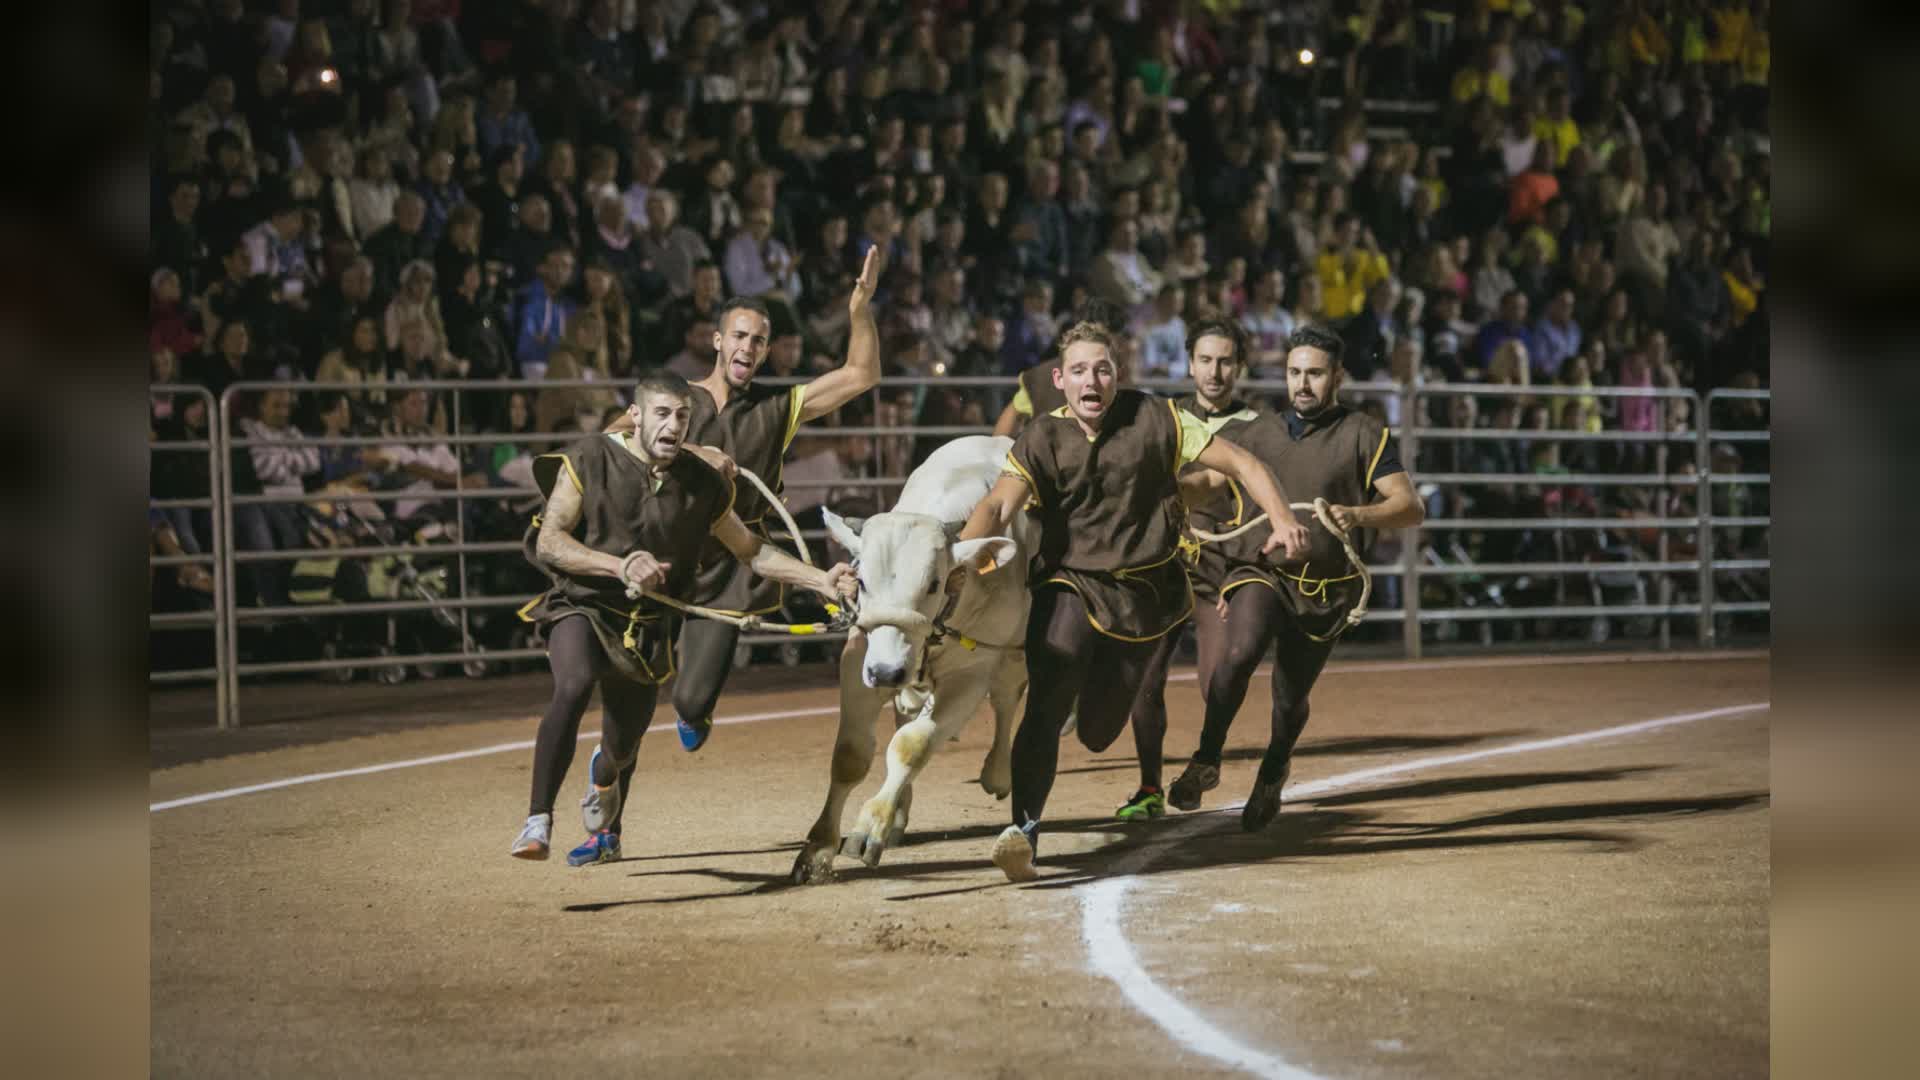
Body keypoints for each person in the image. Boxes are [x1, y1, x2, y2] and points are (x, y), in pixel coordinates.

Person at [957, 320, 1310, 882]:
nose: (1091, 379)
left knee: (1098, 732)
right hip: (1071, 580)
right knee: (1051, 680)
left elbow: (1243, 465)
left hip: (1144, 596)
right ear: (1060, 380)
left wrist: (1285, 519)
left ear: (1116, 375)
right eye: (1078, 371)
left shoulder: (1159, 418)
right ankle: (1023, 832)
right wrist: (965, 558)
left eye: (1101, 368)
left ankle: (1086, 701)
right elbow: (1000, 506)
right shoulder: (1042, 436)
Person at [510, 370, 858, 864]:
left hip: (649, 626)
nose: (673, 425)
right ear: (635, 417)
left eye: (682, 416)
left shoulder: (703, 485)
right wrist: (618, 565)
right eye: (662, 413)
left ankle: (605, 779)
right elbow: (551, 541)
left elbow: (752, 551)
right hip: (584, 604)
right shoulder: (591, 456)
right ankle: (537, 821)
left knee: (621, 747)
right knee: (575, 681)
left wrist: (818, 579)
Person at [1162, 325, 1425, 830]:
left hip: (1324, 589)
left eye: (1315, 373)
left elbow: (1408, 507)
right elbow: (1208, 481)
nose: (1303, 384)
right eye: (1294, 372)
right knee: (1238, 652)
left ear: (1338, 376)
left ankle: (1274, 768)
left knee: (1290, 696)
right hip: (1261, 571)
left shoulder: (1365, 434)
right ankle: (1206, 759)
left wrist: (1358, 515)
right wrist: (1167, 496)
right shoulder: (1256, 431)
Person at [1113, 317, 1265, 822]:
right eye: (1204, 360)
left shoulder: (1260, 429)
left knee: (1217, 681)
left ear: (1240, 366)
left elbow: (1235, 493)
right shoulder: (1164, 417)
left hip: (1222, 572)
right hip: (1162, 568)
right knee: (1144, 680)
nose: (1214, 372)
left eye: (1225, 361)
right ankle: (1150, 787)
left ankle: (1207, 758)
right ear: (1190, 363)